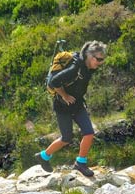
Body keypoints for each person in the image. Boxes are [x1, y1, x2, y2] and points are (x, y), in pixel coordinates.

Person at [35, 40, 108, 177]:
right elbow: (54, 82)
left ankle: (80, 163)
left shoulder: (89, 68)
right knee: (66, 138)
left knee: (89, 132)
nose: (100, 63)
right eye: (98, 59)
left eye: (102, 60)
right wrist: (65, 96)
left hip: (78, 104)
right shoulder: (75, 68)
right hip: (63, 107)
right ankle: (44, 156)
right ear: (89, 56)